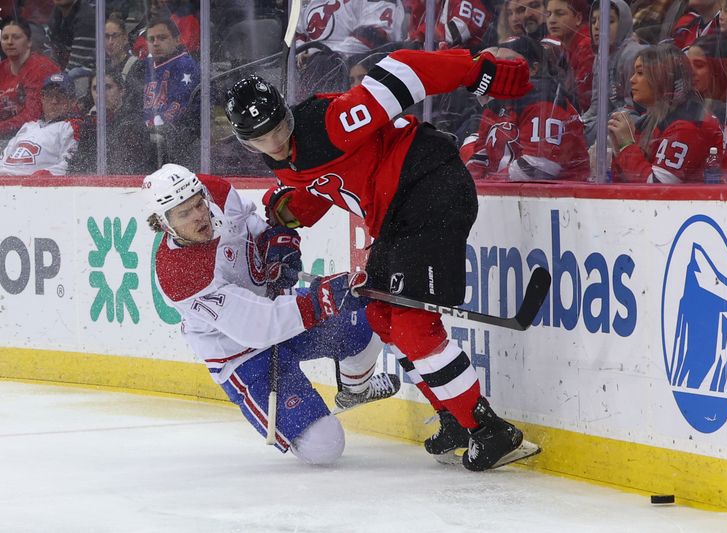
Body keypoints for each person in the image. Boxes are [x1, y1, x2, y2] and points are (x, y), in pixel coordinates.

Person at [225, 48, 538, 471]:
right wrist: (283, 215)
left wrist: (476, 69)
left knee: (412, 323)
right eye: (262, 137)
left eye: (279, 126)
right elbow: (316, 195)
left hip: (430, 188)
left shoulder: (330, 123)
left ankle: (489, 431)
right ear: (247, 142)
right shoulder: (286, 161)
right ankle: (454, 415)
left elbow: (401, 70)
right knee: (380, 315)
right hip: (395, 216)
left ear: (285, 112)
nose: (275, 140)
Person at [143, 163, 401, 465]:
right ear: (163, 223)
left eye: (198, 204)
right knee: (325, 446)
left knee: (366, 318)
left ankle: (356, 390)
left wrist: (274, 241)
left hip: (278, 307)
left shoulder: (218, 193)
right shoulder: (181, 274)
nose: (200, 215)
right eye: (184, 214)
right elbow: (258, 326)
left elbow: (250, 224)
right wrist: (320, 302)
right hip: (241, 353)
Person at [464, 37, 589, 181]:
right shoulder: (495, 105)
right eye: (497, 64)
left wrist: (488, 186)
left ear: (533, 69)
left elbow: (537, 167)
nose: (501, 70)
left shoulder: (546, 102)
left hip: (560, 199)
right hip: (514, 197)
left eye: (509, 62)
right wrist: (469, 188)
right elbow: (480, 158)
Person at [608, 43, 727, 183]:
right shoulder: (652, 120)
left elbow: (658, 187)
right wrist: (618, 149)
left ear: (662, 78)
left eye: (640, 73)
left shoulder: (688, 127)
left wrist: (626, 145)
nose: (631, 80)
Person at [581, 0, 646, 145]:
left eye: (608, 21)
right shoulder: (600, 56)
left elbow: (636, 107)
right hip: (611, 119)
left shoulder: (634, 53)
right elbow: (596, 106)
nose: (598, 26)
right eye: (593, 21)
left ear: (623, 23)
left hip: (634, 121)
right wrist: (579, 122)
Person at [69, 72, 155, 175]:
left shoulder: (132, 122)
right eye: (96, 89)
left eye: (107, 87)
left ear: (122, 91)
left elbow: (127, 169)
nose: (101, 94)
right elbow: (79, 166)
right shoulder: (90, 124)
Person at [143, 16, 200, 166]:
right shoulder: (144, 66)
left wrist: (153, 125)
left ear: (177, 40)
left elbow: (179, 103)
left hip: (178, 138)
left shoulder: (183, 64)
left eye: (162, 38)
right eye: (151, 39)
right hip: (149, 132)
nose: (155, 43)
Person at [0, 71, 81, 175]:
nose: (54, 101)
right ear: (42, 98)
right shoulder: (28, 126)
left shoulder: (71, 127)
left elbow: (68, 166)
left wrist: (42, 177)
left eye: (61, 95)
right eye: (49, 95)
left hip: (35, 186)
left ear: (73, 101)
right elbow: (4, 157)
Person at [0, 19, 60, 139]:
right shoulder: (1, 68)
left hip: (42, 134)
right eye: (5, 38)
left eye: (16, 37)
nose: (10, 42)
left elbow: (33, 116)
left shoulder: (41, 67)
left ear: (29, 42)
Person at [544, 0, 593, 112]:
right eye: (548, 14)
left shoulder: (587, 47)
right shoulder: (565, 47)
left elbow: (584, 100)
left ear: (578, 18)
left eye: (560, 14)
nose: (552, 20)